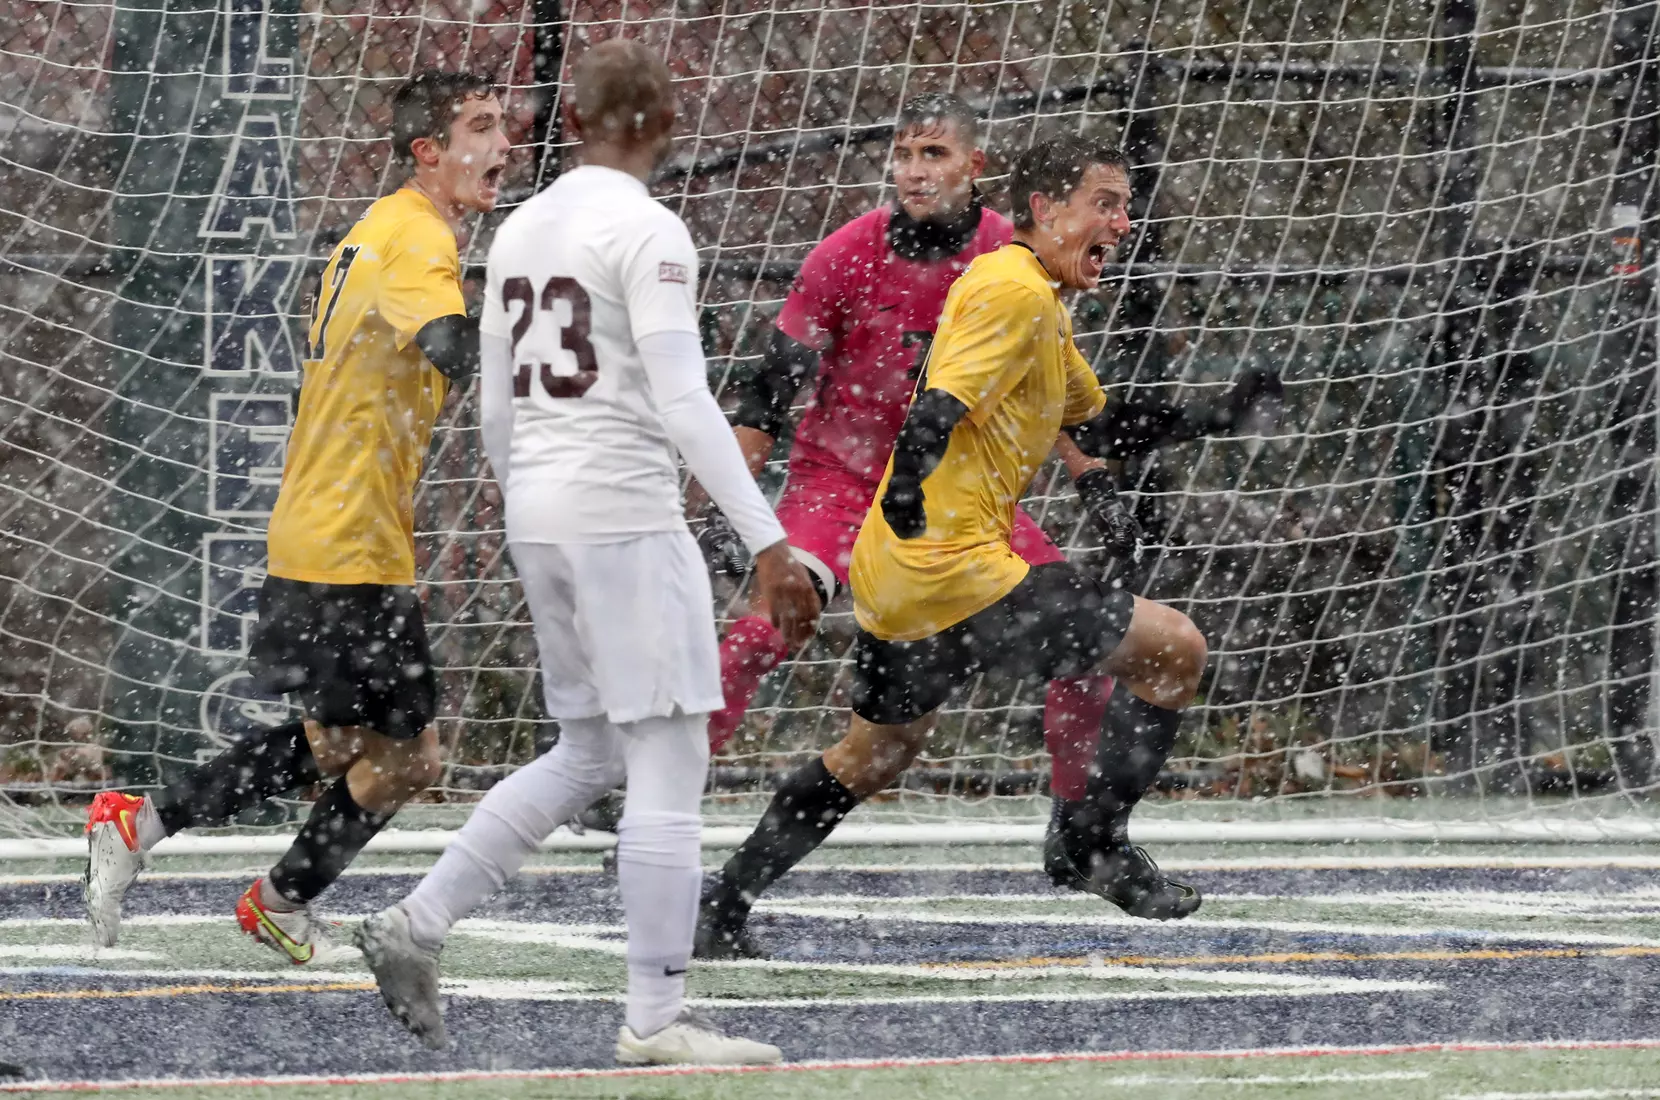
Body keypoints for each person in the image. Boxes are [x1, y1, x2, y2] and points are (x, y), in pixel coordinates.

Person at [582, 92, 1276, 872]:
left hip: (953, 500)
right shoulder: (853, 254)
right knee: (765, 631)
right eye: (904, 155)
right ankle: (651, 807)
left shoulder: (1013, 253)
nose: (914, 171)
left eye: (934, 154)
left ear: (976, 166)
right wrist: (715, 511)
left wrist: (1094, 480)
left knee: (1075, 663)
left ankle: (1072, 830)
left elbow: (1055, 388)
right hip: (846, 487)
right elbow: (768, 393)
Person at [353, 38, 820, 1066]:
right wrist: (769, 539)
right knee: (668, 752)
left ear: (568, 122)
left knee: (590, 751)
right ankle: (654, 1019)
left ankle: (418, 921)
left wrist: (531, 501)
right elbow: (684, 399)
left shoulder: (521, 226)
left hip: (540, 507)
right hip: (621, 511)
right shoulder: (647, 228)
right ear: (667, 122)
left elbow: (493, 405)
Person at [697, 136, 1218, 959]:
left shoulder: (1035, 296)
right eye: (1105, 205)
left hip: (909, 572)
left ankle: (722, 901)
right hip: (956, 566)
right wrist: (907, 485)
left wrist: (1221, 412)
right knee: (1173, 650)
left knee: (875, 752)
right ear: (1045, 209)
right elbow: (939, 402)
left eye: (1124, 207)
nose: (1121, 223)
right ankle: (1091, 844)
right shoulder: (1012, 288)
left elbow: (1099, 422)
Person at [83, 70, 509, 964]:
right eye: (481, 125)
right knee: (408, 758)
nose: (503, 144)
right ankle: (273, 896)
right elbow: (453, 348)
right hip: (350, 543)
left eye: (504, 125)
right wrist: (561, 341)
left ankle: (146, 827)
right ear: (427, 150)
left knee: (343, 742)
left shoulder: (377, 228)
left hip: (326, 532)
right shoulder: (416, 235)